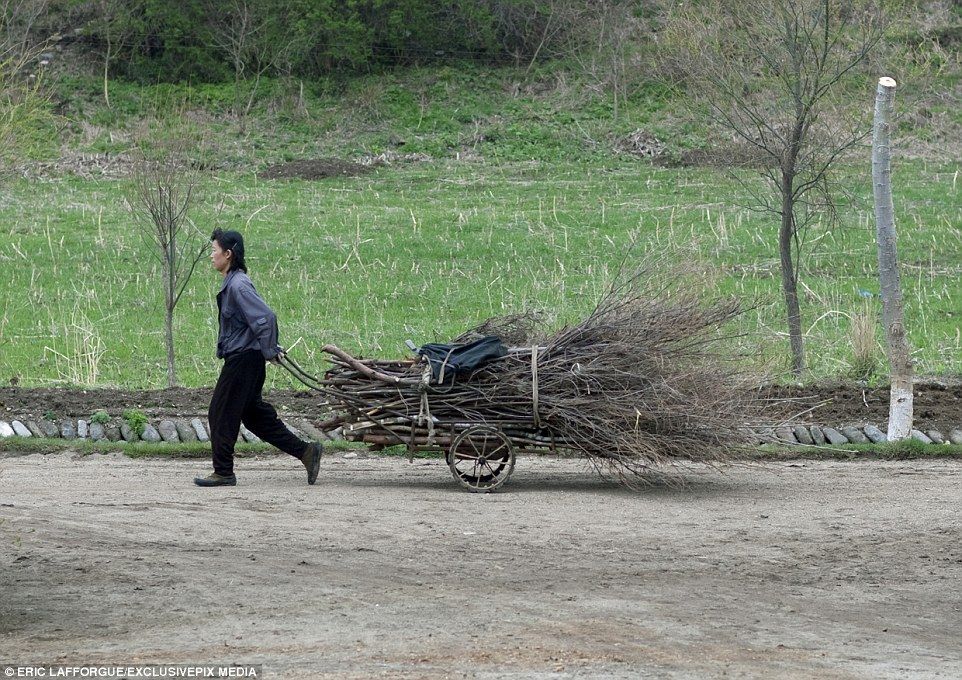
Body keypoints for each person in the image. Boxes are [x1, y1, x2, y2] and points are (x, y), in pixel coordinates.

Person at [194, 228, 322, 487]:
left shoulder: (239, 285)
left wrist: (270, 349)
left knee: (220, 413)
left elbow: (265, 318)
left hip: (243, 360)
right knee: (254, 416)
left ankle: (223, 472)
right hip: (246, 359)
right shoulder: (232, 282)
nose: (211, 256)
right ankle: (306, 452)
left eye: (214, 251)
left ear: (228, 254)